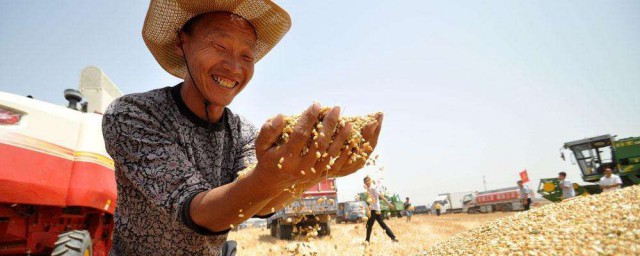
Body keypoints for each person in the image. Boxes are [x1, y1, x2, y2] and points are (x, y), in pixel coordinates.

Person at [102, 1, 384, 255]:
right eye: (220, 47)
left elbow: (260, 204)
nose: (235, 67)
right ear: (182, 43)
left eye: (247, 57)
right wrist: (269, 178)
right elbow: (199, 212)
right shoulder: (133, 114)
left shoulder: (242, 132)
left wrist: (319, 171)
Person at [363, 176, 398, 243]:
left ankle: (367, 241)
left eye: (368, 181)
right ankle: (393, 238)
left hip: (375, 210)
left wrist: (389, 204)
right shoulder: (369, 189)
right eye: (366, 181)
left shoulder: (372, 188)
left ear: (370, 181)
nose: (367, 182)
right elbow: (371, 199)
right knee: (381, 224)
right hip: (375, 209)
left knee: (369, 225)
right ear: (364, 183)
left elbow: (381, 196)